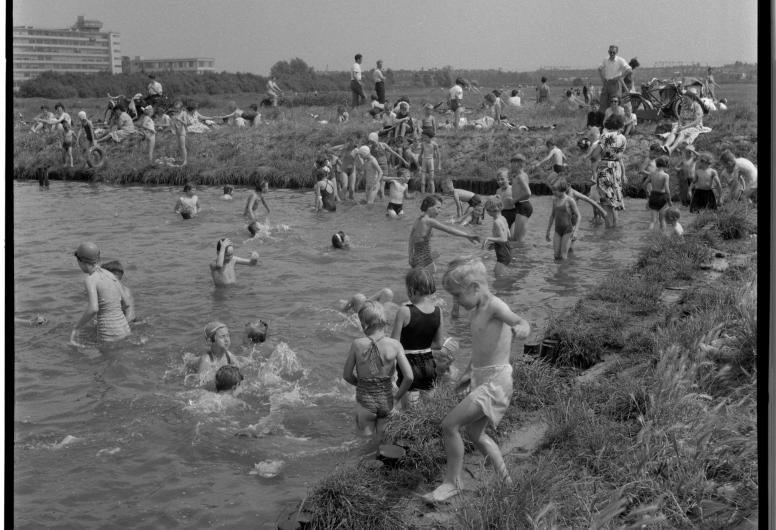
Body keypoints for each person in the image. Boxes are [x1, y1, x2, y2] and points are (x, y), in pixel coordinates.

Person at [421, 257, 530, 503]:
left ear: (474, 287)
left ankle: (453, 483)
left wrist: (522, 327)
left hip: (496, 381)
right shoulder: (477, 311)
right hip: (484, 378)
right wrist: (468, 373)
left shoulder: (495, 306)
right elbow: (481, 349)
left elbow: (518, 320)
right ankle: (507, 483)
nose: (456, 301)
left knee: (449, 425)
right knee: (474, 432)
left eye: (457, 295)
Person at [342, 301, 413, 443]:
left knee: (364, 442)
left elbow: (347, 375)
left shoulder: (357, 344)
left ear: (363, 324)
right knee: (383, 441)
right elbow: (409, 377)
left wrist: (361, 385)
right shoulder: (395, 345)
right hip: (387, 401)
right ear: (384, 321)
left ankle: (366, 457)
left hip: (365, 402)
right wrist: (397, 398)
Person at [391, 268, 443, 408]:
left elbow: (393, 344)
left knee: (409, 412)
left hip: (408, 364)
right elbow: (439, 344)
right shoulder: (438, 311)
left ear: (411, 289)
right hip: (429, 365)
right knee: (428, 409)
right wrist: (422, 345)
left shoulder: (404, 311)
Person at [70, 242, 131, 346]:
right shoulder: (110, 275)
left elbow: (93, 308)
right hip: (125, 329)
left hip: (109, 333)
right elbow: (126, 303)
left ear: (81, 261)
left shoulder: (90, 279)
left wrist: (77, 327)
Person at [409, 195, 480, 272]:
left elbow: (411, 238)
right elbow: (449, 229)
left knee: (439, 254)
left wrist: (410, 255)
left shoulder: (418, 219)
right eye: (438, 208)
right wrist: (467, 235)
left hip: (416, 259)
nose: (440, 211)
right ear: (429, 207)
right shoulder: (429, 221)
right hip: (425, 261)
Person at [591, 114, 627, 227]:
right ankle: (615, 228)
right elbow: (619, 155)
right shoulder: (623, 138)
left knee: (605, 201)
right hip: (616, 169)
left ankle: (608, 229)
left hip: (605, 168)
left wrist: (595, 159)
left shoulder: (605, 136)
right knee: (614, 200)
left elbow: (594, 155)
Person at [545, 178, 580, 261]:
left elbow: (579, 216)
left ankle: (565, 269)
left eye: (555, 190)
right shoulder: (555, 200)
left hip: (567, 230)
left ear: (562, 189)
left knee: (563, 256)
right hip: (557, 230)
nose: (553, 192)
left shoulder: (570, 200)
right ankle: (558, 270)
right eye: (553, 190)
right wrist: (548, 231)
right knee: (556, 256)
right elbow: (552, 215)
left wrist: (576, 231)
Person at [482, 196, 512, 274]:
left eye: (487, 210)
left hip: (503, 253)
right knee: (497, 273)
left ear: (492, 210)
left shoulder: (497, 222)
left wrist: (488, 238)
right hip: (506, 250)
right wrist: (495, 244)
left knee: (498, 276)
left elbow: (503, 239)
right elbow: (508, 235)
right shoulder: (503, 218)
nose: (487, 212)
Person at [643, 156, 672, 231]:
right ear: (666, 165)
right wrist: (669, 201)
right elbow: (667, 190)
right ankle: (662, 236)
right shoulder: (666, 176)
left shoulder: (651, 174)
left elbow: (644, 185)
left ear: (656, 164)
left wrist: (647, 193)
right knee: (662, 220)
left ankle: (648, 235)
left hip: (653, 196)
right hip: (662, 197)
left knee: (652, 221)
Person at [509, 155, 533, 242]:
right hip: (520, 206)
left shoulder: (520, 177)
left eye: (511, 164)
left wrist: (515, 200)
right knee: (514, 238)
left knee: (519, 239)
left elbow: (528, 193)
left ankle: (525, 251)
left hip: (523, 206)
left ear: (517, 163)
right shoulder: (520, 175)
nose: (510, 166)